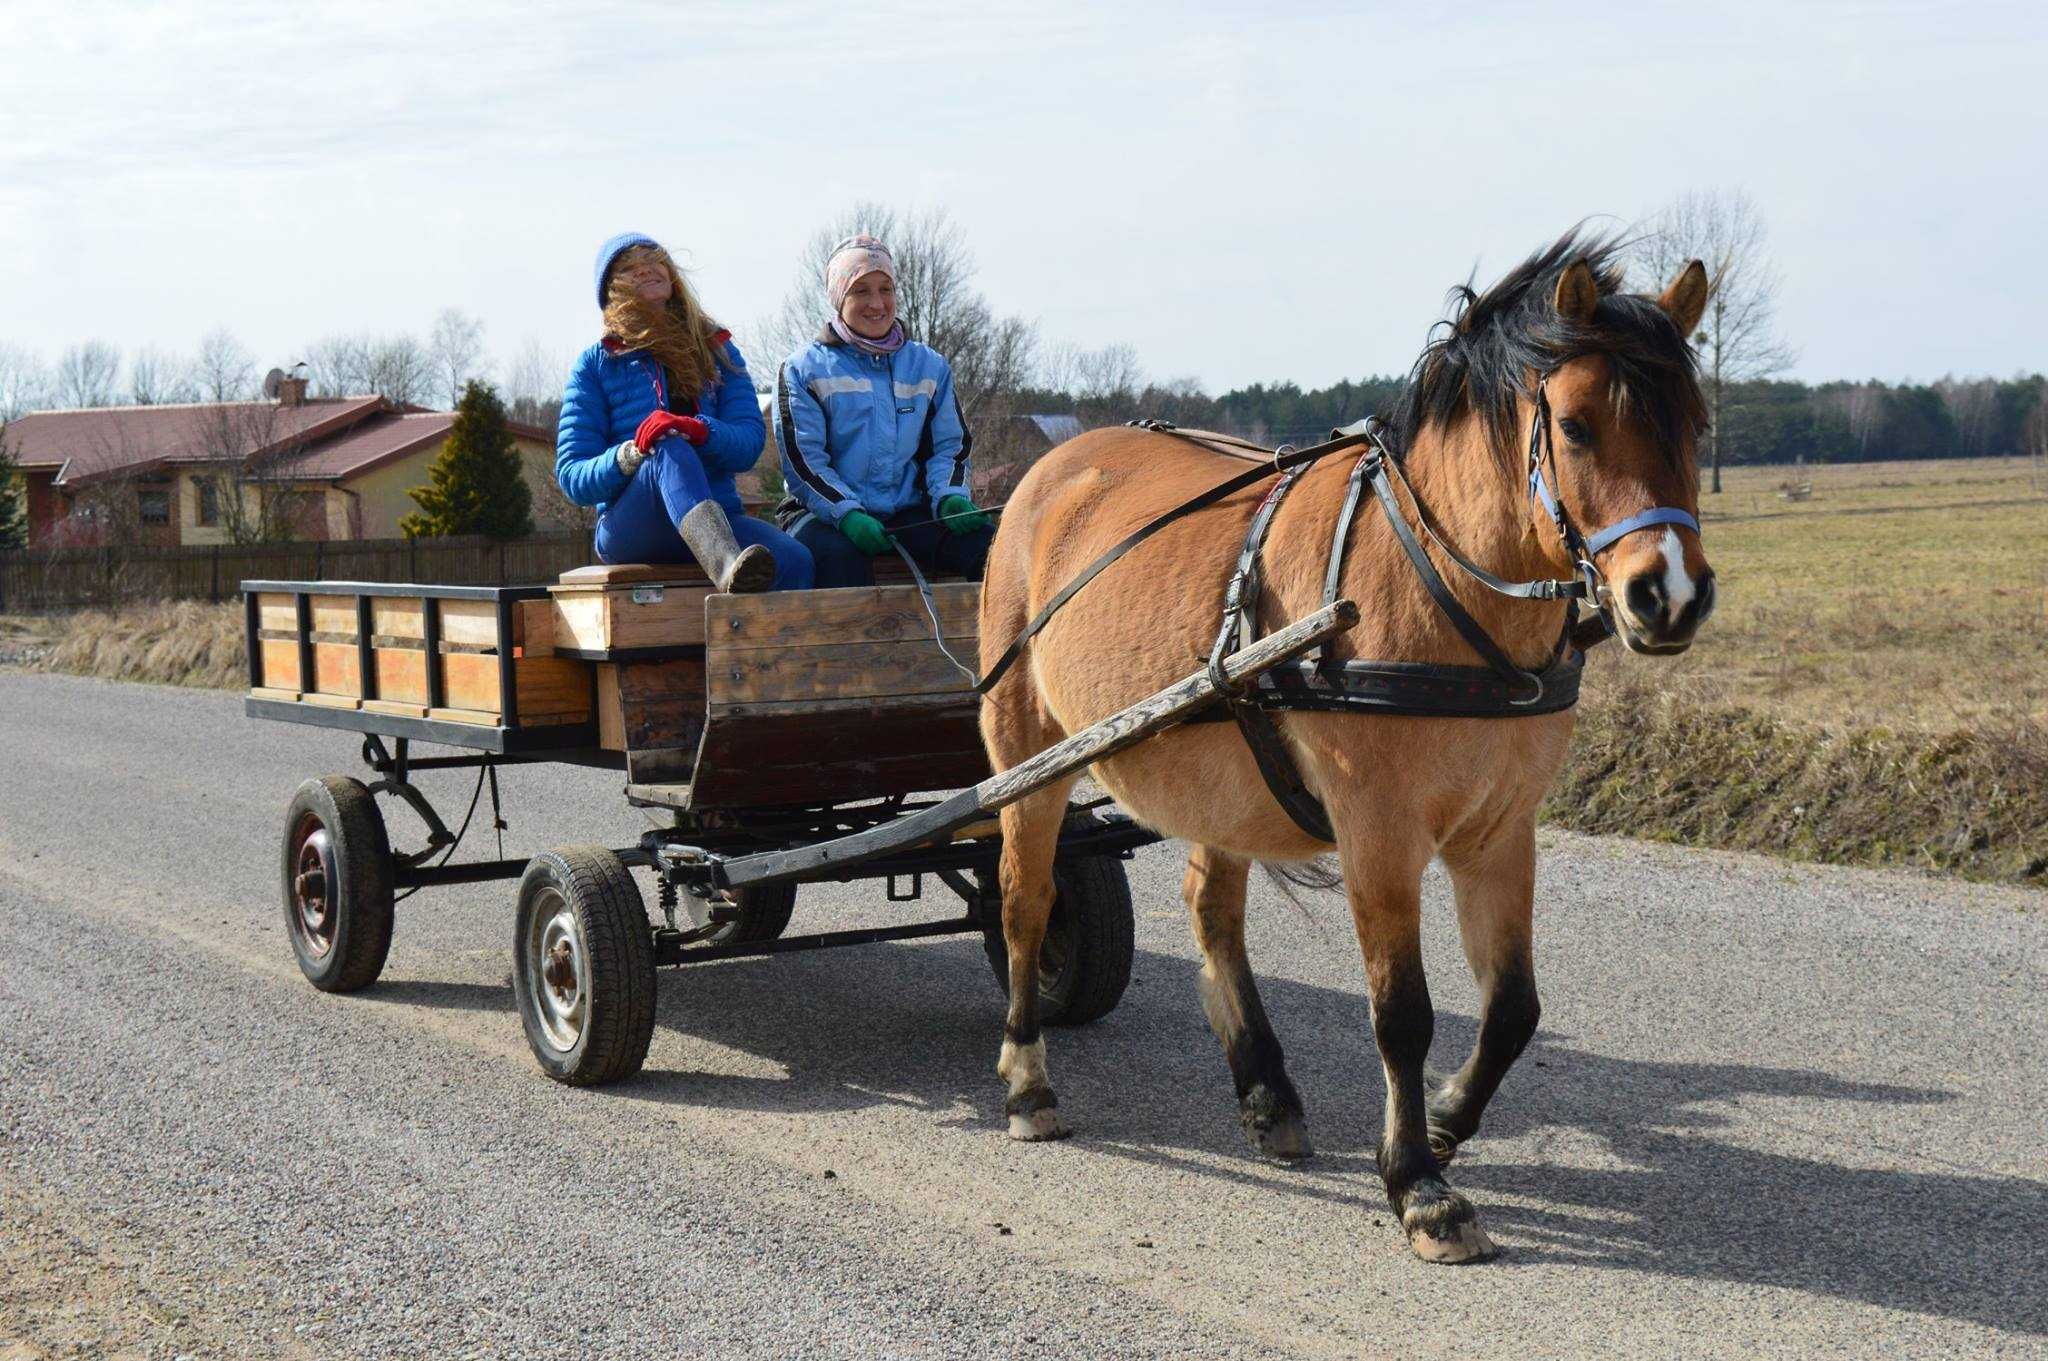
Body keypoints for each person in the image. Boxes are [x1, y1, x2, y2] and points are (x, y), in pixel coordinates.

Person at [556, 233, 812, 592]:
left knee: (795, 559)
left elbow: (750, 443)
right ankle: (726, 567)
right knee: (667, 446)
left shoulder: (719, 352)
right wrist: (631, 455)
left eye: (655, 260)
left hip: (718, 517)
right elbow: (572, 475)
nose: (647, 269)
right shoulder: (597, 366)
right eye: (630, 268)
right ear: (612, 289)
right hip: (634, 528)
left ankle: (770, 648)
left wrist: (699, 431)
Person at [772, 233, 994, 589]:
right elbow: (804, 462)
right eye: (861, 291)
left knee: (991, 547)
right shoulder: (802, 370)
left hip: (907, 512)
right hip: (821, 514)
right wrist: (846, 514)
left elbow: (949, 447)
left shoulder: (929, 366)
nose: (877, 303)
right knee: (842, 560)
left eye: (885, 289)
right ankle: (858, 647)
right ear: (838, 298)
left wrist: (950, 495)